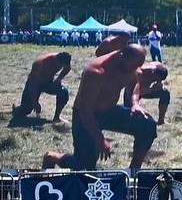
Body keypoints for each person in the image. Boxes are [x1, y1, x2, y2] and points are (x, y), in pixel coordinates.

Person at [45, 44, 154, 173]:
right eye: (135, 65)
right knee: (84, 166)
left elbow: (134, 82)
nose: (137, 69)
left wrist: (135, 103)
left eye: (139, 65)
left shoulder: (130, 66)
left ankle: (134, 171)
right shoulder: (96, 72)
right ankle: (52, 157)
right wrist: (99, 139)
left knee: (148, 125)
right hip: (86, 116)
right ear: (121, 56)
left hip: (110, 111)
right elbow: (85, 109)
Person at [12, 51, 72, 124]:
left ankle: (56, 118)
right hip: (34, 84)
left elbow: (67, 69)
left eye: (62, 65)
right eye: (59, 64)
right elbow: (33, 84)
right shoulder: (40, 63)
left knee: (64, 92)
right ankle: (17, 110)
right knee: (26, 110)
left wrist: (59, 78)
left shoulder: (65, 60)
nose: (59, 66)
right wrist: (35, 102)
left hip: (48, 82)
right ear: (56, 59)